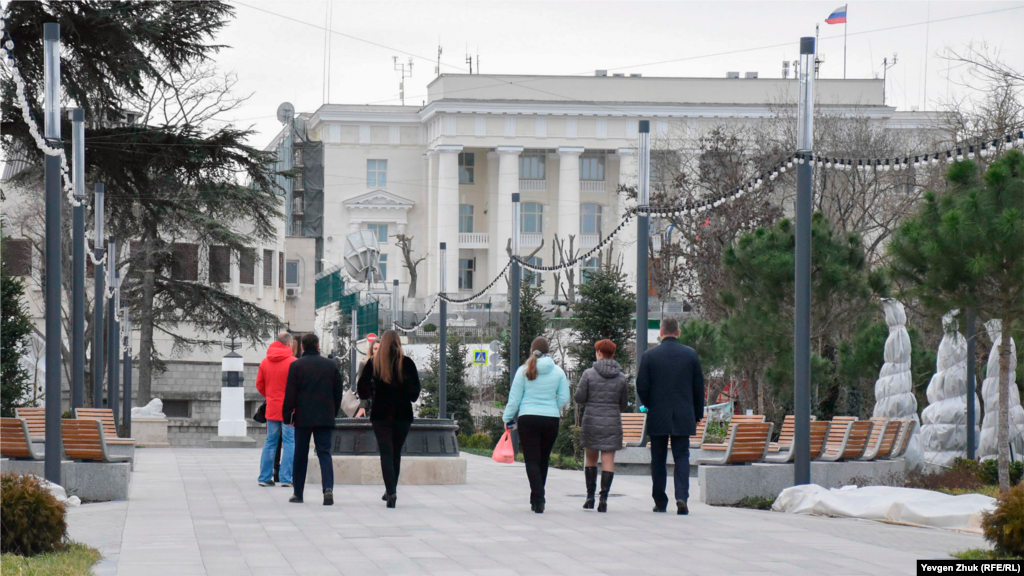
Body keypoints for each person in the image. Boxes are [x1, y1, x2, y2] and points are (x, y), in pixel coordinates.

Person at [636, 317, 705, 515]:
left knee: (658, 458)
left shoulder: (650, 355)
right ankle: (682, 497)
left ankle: (660, 501)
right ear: (678, 332)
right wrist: (697, 414)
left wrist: (651, 404)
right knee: (682, 455)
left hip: (658, 414)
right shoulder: (690, 355)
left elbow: (641, 385)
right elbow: (698, 387)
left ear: (661, 332)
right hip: (684, 413)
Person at [502, 337, 570, 513]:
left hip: (528, 418)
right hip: (551, 419)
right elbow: (565, 398)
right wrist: (552, 408)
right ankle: (537, 498)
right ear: (549, 351)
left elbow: (514, 399)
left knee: (531, 460)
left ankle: (539, 498)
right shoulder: (558, 372)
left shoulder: (523, 370)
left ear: (532, 351)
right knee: (543, 459)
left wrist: (507, 418)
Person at [357, 330, 421, 508]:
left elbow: (362, 389)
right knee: (396, 452)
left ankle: (391, 492)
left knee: (385, 453)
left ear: (383, 344)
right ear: (398, 343)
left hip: (381, 414)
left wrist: (373, 391)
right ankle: (391, 489)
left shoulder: (374, 363)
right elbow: (414, 394)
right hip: (402, 415)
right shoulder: (407, 363)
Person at [282, 332, 344, 505]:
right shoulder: (331, 365)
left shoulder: (296, 365)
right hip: (325, 417)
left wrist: (287, 416)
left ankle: (298, 493)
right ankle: (328, 488)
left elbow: (290, 394)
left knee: (300, 455)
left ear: (302, 347)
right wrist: (333, 412)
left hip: (303, 418)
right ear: (318, 347)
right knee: (324, 453)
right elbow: (338, 392)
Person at [575, 339, 628, 513]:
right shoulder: (621, 377)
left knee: (591, 459)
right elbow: (623, 403)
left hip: (592, 421)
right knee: (608, 460)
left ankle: (590, 497)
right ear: (613, 354)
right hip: (612, 422)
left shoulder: (588, 374)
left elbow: (579, 398)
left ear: (598, 352)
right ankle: (603, 499)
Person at [256, 332, 298, 488]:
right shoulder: (293, 362)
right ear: (289, 343)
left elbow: (259, 384)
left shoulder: (265, 361)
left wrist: (271, 396)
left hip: (272, 407)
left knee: (270, 442)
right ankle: (286, 478)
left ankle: (264, 477)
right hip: (289, 409)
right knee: (289, 442)